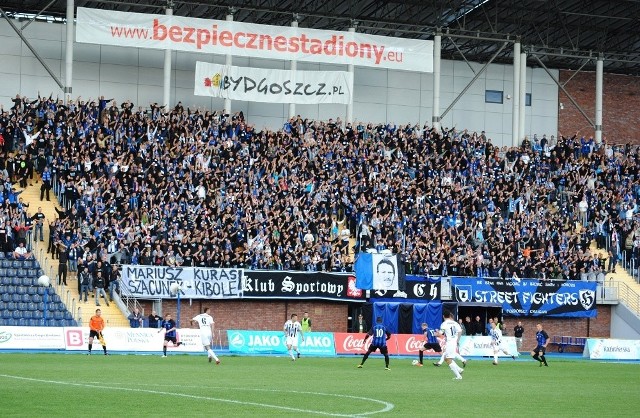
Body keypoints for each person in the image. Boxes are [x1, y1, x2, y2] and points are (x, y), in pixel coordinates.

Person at [439, 310, 465, 380]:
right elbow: (460, 331)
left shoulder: (444, 324)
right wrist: (458, 340)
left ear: (443, 316)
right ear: (450, 315)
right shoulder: (455, 323)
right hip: (454, 342)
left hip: (450, 342)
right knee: (446, 358)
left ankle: (458, 376)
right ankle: (459, 370)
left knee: (448, 359)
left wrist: (436, 333)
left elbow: (441, 333)